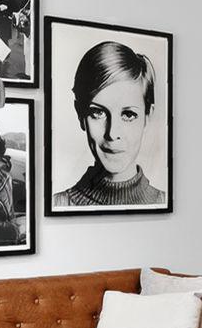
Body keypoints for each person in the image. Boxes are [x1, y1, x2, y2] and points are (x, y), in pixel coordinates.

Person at [51, 40, 166, 207]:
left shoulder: (165, 201)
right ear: (80, 114)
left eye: (128, 114)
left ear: (147, 116)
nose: (112, 134)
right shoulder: (59, 204)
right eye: (98, 113)